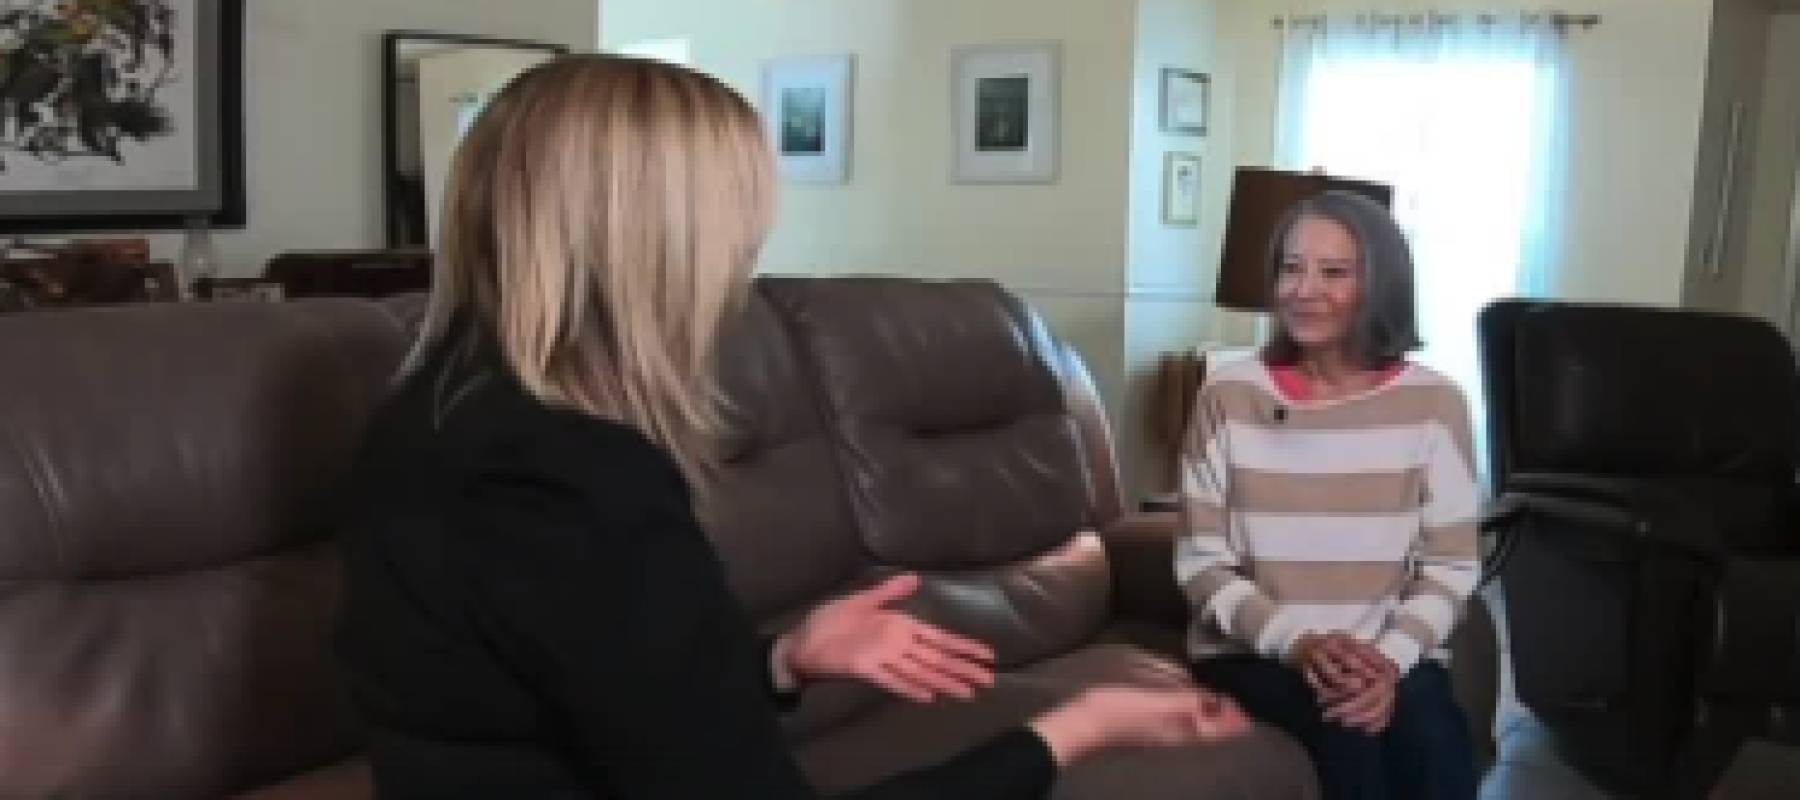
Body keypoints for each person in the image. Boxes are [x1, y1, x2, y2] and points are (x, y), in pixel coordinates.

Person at [334, 54, 1248, 799]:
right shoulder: (573, 478)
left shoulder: (425, 422)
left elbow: (606, 682)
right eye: (735, 230)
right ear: (655, 242)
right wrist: (1068, 732)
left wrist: (782, 662)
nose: (742, 263)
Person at [1174, 190, 1480, 799]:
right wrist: (1302, 644)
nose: (1302, 289)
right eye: (1291, 267)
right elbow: (1202, 564)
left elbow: (1450, 565)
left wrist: (1389, 659)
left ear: (1380, 286)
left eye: (1333, 272)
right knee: (1352, 741)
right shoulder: (1227, 398)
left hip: (1386, 651)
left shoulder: (1435, 405)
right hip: (1259, 654)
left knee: (1436, 739)